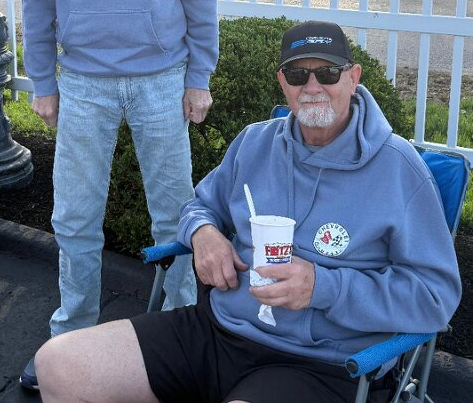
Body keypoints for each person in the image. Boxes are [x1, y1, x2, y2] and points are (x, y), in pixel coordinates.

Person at [33, 21, 461, 403]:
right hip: (218, 330)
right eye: (298, 74)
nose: (312, 86)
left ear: (353, 77)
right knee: (60, 365)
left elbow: (436, 297)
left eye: (328, 73)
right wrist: (202, 234)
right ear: (283, 82)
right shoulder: (255, 143)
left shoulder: (399, 170)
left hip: (320, 362)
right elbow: (198, 206)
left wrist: (324, 288)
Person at [19, 0, 218, 390]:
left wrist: (199, 74)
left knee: (176, 218)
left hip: (162, 77)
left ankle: (179, 336)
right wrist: (43, 79)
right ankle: (71, 337)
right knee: (75, 217)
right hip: (82, 81)